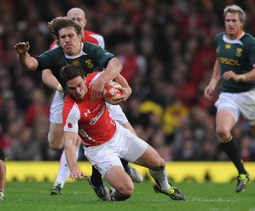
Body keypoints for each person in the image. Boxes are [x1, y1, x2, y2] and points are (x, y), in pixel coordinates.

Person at [14, 16, 141, 199]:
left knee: (131, 135)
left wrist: (123, 87)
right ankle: (99, 178)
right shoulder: (55, 54)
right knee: (71, 143)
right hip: (76, 103)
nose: (67, 40)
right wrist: (23, 55)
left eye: (70, 35)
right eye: (63, 37)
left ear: (80, 34)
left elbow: (113, 66)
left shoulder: (93, 46)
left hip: (100, 96)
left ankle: (124, 165)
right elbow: (32, 65)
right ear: (58, 40)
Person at [59, 64, 186, 201]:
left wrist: (126, 89)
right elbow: (70, 142)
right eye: (72, 88)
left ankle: (165, 187)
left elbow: (115, 70)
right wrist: (74, 168)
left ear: (84, 78)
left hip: (118, 135)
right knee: (127, 190)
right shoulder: (71, 109)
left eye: (79, 85)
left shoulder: (96, 80)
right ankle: (111, 193)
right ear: (67, 88)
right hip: (99, 150)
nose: (77, 91)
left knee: (159, 163)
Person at [204, 4, 255, 193]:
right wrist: (213, 83)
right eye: (227, 20)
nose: (230, 24)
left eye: (234, 20)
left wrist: (241, 77)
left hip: (249, 95)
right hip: (228, 95)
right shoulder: (219, 39)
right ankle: (242, 173)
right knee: (221, 130)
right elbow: (219, 61)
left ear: (241, 22)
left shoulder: (250, 43)